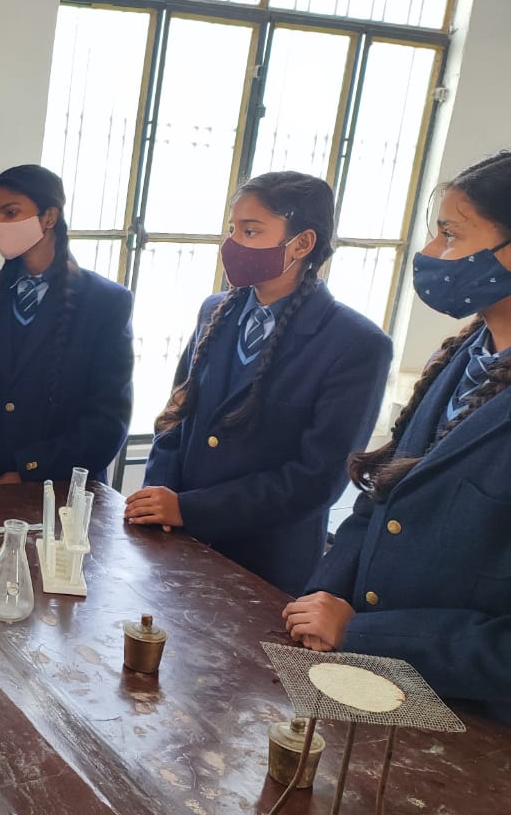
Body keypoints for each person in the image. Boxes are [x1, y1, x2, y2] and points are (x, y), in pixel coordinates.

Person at [285, 152, 511, 722]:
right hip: (367, 684)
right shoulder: (464, 357)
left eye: (450, 234)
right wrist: (323, 596)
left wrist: (366, 633)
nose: (431, 252)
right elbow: (383, 499)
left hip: (470, 724)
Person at [126, 171, 392, 596]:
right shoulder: (214, 310)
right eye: (232, 229)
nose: (232, 244)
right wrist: (158, 498)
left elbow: (316, 479)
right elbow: (176, 416)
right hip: (176, 542)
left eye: (250, 231)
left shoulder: (355, 343)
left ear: (302, 244)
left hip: (264, 566)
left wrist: (190, 509)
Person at [0, 164, 133, 484]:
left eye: (11, 212)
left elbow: (109, 418)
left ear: (49, 217)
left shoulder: (105, 303)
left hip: (64, 490)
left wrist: (28, 471)